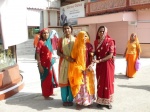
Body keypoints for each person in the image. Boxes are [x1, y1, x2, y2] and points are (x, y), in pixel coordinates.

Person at [68, 31, 95, 109]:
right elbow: (73, 59)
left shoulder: (89, 46)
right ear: (79, 37)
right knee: (80, 87)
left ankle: (88, 101)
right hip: (79, 70)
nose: (84, 38)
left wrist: (90, 66)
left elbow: (92, 57)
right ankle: (79, 102)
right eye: (82, 36)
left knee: (88, 86)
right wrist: (79, 68)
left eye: (86, 36)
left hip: (88, 69)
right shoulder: (76, 46)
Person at [92, 26, 116, 109]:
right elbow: (95, 52)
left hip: (108, 65)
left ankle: (108, 101)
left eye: (103, 31)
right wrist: (92, 55)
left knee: (107, 82)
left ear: (106, 32)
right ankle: (100, 101)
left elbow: (110, 55)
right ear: (98, 33)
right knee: (100, 82)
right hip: (99, 65)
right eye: (100, 31)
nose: (101, 33)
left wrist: (100, 60)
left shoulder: (110, 41)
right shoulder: (96, 42)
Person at [36, 28, 58, 100]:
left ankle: (50, 92)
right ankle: (46, 95)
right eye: (44, 33)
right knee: (45, 79)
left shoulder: (48, 42)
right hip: (43, 65)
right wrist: (40, 65)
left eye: (47, 33)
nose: (46, 34)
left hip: (49, 64)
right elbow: (37, 54)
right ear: (41, 34)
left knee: (50, 79)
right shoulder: (40, 43)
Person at [57, 23, 75, 106]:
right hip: (63, 62)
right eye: (65, 28)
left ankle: (70, 99)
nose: (66, 30)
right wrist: (67, 57)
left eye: (68, 28)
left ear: (71, 29)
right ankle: (64, 100)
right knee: (64, 81)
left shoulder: (75, 40)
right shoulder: (61, 40)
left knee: (71, 81)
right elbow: (58, 52)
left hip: (73, 63)